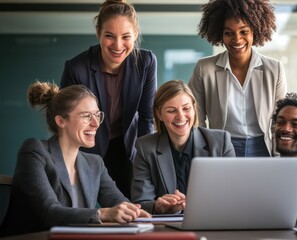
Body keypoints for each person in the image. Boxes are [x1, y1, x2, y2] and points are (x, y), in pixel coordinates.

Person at [0, 81, 151, 236]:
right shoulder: (35, 151)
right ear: (61, 121)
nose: (95, 124)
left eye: (97, 115)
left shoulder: (95, 163)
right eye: (86, 116)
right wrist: (103, 214)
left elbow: (121, 204)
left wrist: (148, 209)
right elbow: (49, 212)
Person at [60, 0, 157, 199]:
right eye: (109, 36)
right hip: (88, 147)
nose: (118, 45)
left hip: (127, 147)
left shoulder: (146, 62)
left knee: (131, 209)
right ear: (98, 33)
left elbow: (147, 117)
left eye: (126, 37)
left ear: (136, 33)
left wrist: (144, 160)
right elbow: (67, 123)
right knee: (81, 210)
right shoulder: (76, 68)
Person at [188, 0, 287, 157]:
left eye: (244, 32)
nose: (237, 39)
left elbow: (281, 120)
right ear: (220, 34)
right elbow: (195, 118)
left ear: (255, 31)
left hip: (263, 147)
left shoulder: (274, 69)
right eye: (229, 33)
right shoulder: (204, 68)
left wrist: (280, 155)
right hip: (221, 147)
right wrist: (204, 152)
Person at [131, 80, 236, 214]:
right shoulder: (145, 147)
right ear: (159, 114)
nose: (180, 116)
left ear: (194, 108)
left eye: (186, 108)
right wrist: (159, 206)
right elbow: (141, 202)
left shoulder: (220, 142)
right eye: (171, 110)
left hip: (211, 220)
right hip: (166, 228)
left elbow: (232, 194)